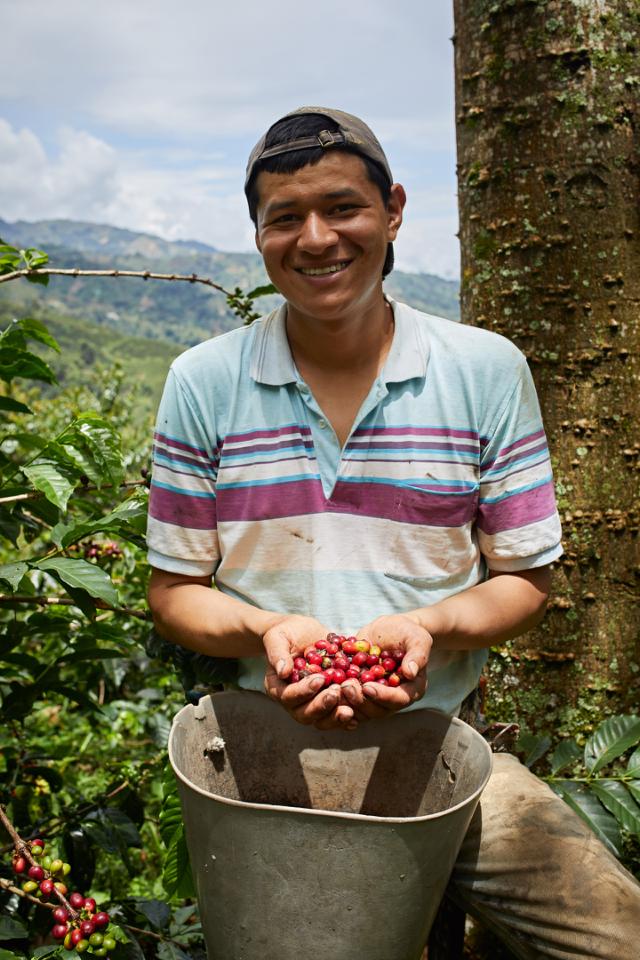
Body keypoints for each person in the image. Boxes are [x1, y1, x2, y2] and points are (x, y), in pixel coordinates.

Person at [146, 107, 640, 958]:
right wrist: (269, 631)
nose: (316, 239)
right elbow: (177, 593)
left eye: (343, 208)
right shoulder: (203, 383)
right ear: (258, 235)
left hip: (440, 746)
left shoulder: (484, 372)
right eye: (284, 218)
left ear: (394, 209)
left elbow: (527, 579)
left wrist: (428, 628)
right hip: (269, 762)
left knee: (613, 934)